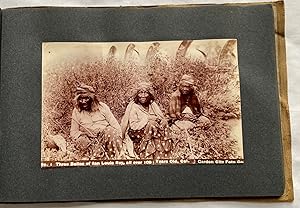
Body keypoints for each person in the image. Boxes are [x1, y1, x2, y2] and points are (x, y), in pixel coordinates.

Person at [70, 83, 123, 159]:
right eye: (81, 99)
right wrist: (84, 134)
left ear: (92, 98)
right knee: (82, 141)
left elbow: (115, 125)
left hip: (105, 138)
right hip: (89, 141)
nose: (83, 102)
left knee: (110, 130)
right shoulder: (76, 111)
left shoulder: (103, 107)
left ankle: (115, 157)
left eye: (86, 99)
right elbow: (73, 132)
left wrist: (119, 139)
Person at [121, 82, 173, 159]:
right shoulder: (134, 106)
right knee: (151, 124)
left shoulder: (152, 104)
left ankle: (163, 151)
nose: (143, 96)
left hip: (153, 131)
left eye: (145, 93)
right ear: (137, 95)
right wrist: (147, 119)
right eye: (140, 93)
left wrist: (161, 121)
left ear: (149, 94)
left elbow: (161, 117)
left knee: (163, 123)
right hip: (137, 132)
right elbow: (133, 126)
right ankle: (146, 153)